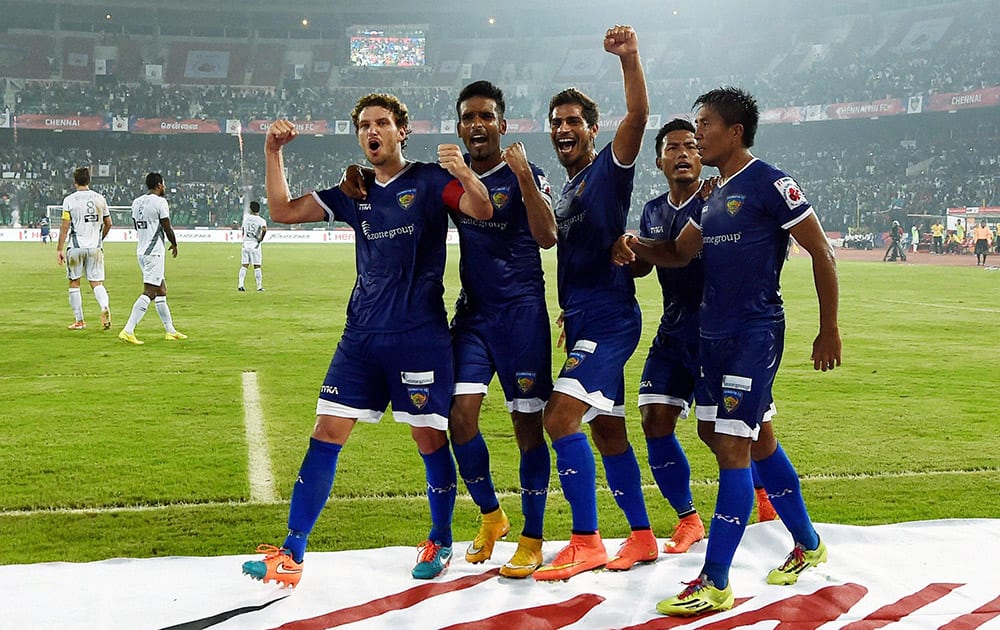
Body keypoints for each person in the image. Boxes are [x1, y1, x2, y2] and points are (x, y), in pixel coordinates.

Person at [241, 92, 492, 588]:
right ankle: (292, 552)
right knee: (325, 431)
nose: (371, 131)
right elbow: (282, 210)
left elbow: (480, 209)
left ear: (402, 130)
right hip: (359, 337)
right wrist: (273, 152)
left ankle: (440, 539)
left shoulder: (427, 181)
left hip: (417, 337)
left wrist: (462, 171)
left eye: (381, 122)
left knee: (427, 437)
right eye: (363, 125)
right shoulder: (353, 192)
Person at [614, 87, 841, 616]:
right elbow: (676, 252)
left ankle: (715, 581)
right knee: (753, 439)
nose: (697, 137)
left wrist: (828, 329)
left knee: (732, 450)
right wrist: (632, 245)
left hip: (753, 335)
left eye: (705, 126)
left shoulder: (770, 183)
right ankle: (809, 545)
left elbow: (822, 251)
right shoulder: (712, 197)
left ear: (734, 132)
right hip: (709, 339)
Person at [532, 24, 655, 582]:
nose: (563, 128)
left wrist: (629, 58)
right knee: (607, 432)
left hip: (610, 318)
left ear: (592, 128)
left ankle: (586, 542)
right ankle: (643, 537)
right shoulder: (566, 188)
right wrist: (570, 311)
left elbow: (637, 119)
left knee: (558, 419)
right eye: (556, 122)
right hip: (588, 317)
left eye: (573, 121)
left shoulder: (608, 168)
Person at [447, 80, 557, 578]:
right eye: (468, 117)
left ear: (502, 124)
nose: (477, 124)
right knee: (459, 416)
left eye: (485, 116)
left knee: (526, 425)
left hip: (521, 316)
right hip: (474, 315)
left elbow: (547, 236)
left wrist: (524, 177)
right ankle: (493, 516)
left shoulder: (525, 173)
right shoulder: (455, 179)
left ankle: (532, 539)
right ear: (460, 126)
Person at [118, 172, 187, 345]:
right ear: (158, 185)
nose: (164, 187)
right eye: (163, 184)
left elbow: (136, 225)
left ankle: (170, 330)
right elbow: (166, 226)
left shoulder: (137, 202)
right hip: (153, 252)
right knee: (150, 291)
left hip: (142, 249)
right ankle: (128, 330)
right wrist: (175, 244)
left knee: (161, 291)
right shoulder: (160, 202)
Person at [56, 167, 112, 330]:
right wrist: (99, 238)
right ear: (89, 180)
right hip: (95, 248)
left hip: (76, 247)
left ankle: (79, 321)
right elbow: (109, 223)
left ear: (75, 182)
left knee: (74, 282)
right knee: (96, 282)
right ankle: (104, 306)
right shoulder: (100, 198)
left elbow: (64, 227)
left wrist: (59, 249)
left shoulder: (69, 200)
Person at [238, 201, 268, 291]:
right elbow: (264, 229)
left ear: (250, 209)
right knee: (257, 266)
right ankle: (259, 287)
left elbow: (243, 230)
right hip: (255, 245)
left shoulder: (246, 218)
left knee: (244, 265)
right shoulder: (261, 220)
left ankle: (240, 285)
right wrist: (261, 238)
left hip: (245, 244)